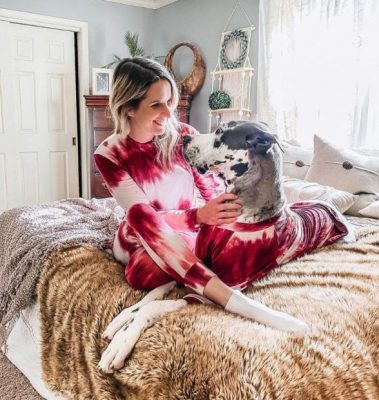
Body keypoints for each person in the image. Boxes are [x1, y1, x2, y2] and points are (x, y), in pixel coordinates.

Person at [94, 57, 308, 333]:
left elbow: (211, 191)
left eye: (170, 101)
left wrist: (226, 220)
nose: (169, 112)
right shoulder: (110, 154)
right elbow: (144, 219)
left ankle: (208, 285)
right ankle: (238, 303)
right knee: (142, 271)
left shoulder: (183, 135)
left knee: (224, 247)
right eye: (156, 104)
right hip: (143, 234)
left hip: (190, 228)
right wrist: (198, 216)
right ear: (129, 109)